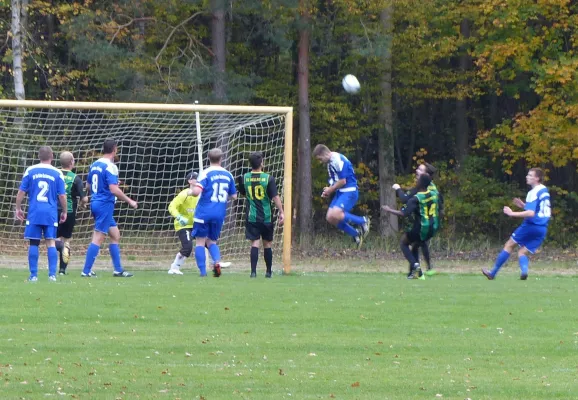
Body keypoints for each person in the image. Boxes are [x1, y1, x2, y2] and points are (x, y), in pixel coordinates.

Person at [81, 138, 137, 278]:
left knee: (115, 235)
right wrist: (130, 201)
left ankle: (118, 270)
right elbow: (113, 189)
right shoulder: (111, 166)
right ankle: (86, 271)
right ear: (115, 149)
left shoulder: (95, 164)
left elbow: (88, 186)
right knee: (98, 237)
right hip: (105, 204)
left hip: (95, 202)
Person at [482, 168, 551, 281]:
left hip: (530, 225)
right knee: (522, 252)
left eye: (530, 175)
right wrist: (524, 205)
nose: (527, 177)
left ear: (537, 178)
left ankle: (492, 273)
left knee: (509, 245)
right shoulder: (544, 190)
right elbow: (539, 210)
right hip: (542, 228)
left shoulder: (532, 192)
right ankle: (524, 272)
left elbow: (531, 213)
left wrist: (512, 213)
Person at [14, 146, 67, 281]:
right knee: (50, 242)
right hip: (50, 213)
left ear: (38, 156)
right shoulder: (57, 173)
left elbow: (21, 192)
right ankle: (52, 275)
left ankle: (33, 276)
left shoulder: (30, 171)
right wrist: (65, 211)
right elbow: (62, 195)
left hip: (34, 212)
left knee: (34, 243)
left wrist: (18, 208)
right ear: (52, 156)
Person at [188, 148, 237, 277]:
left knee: (200, 242)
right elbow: (234, 196)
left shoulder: (205, 173)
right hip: (219, 213)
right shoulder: (228, 174)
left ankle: (203, 272)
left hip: (203, 212)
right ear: (221, 159)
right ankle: (216, 262)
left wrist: (191, 191)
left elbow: (197, 192)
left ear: (208, 158)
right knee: (212, 242)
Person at [382, 174, 440, 280]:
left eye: (417, 180)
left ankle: (415, 265)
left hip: (421, 228)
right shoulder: (434, 194)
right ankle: (417, 274)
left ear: (421, 183)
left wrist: (389, 209)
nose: (416, 181)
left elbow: (403, 213)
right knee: (416, 246)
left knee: (404, 243)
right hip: (432, 228)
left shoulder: (416, 198)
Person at [237, 152, 285, 278]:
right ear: (261, 163)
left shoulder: (244, 178)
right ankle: (268, 272)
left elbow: (243, 192)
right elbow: (275, 197)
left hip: (252, 216)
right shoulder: (268, 178)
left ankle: (253, 272)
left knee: (255, 243)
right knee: (267, 244)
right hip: (266, 216)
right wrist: (281, 211)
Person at [312, 144, 370, 248]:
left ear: (324, 154)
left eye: (320, 159)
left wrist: (331, 189)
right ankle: (356, 234)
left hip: (349, 191)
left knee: (336, 213)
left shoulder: (337, 160)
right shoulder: (330, 163)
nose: (320, 162)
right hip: (341, 192)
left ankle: (363, 221)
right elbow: (335, 180)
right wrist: (328, 190)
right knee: (330, 217)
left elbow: (343, 181)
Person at [55, 151, 88, 275]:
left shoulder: (55, 174)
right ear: (71, 162)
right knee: (66, 240)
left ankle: (53, 267)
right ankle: (62, 270)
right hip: (68, 212)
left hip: (54, 211)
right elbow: (84, 198)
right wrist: (82, 203)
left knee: (53, 239)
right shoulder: (75, 178)